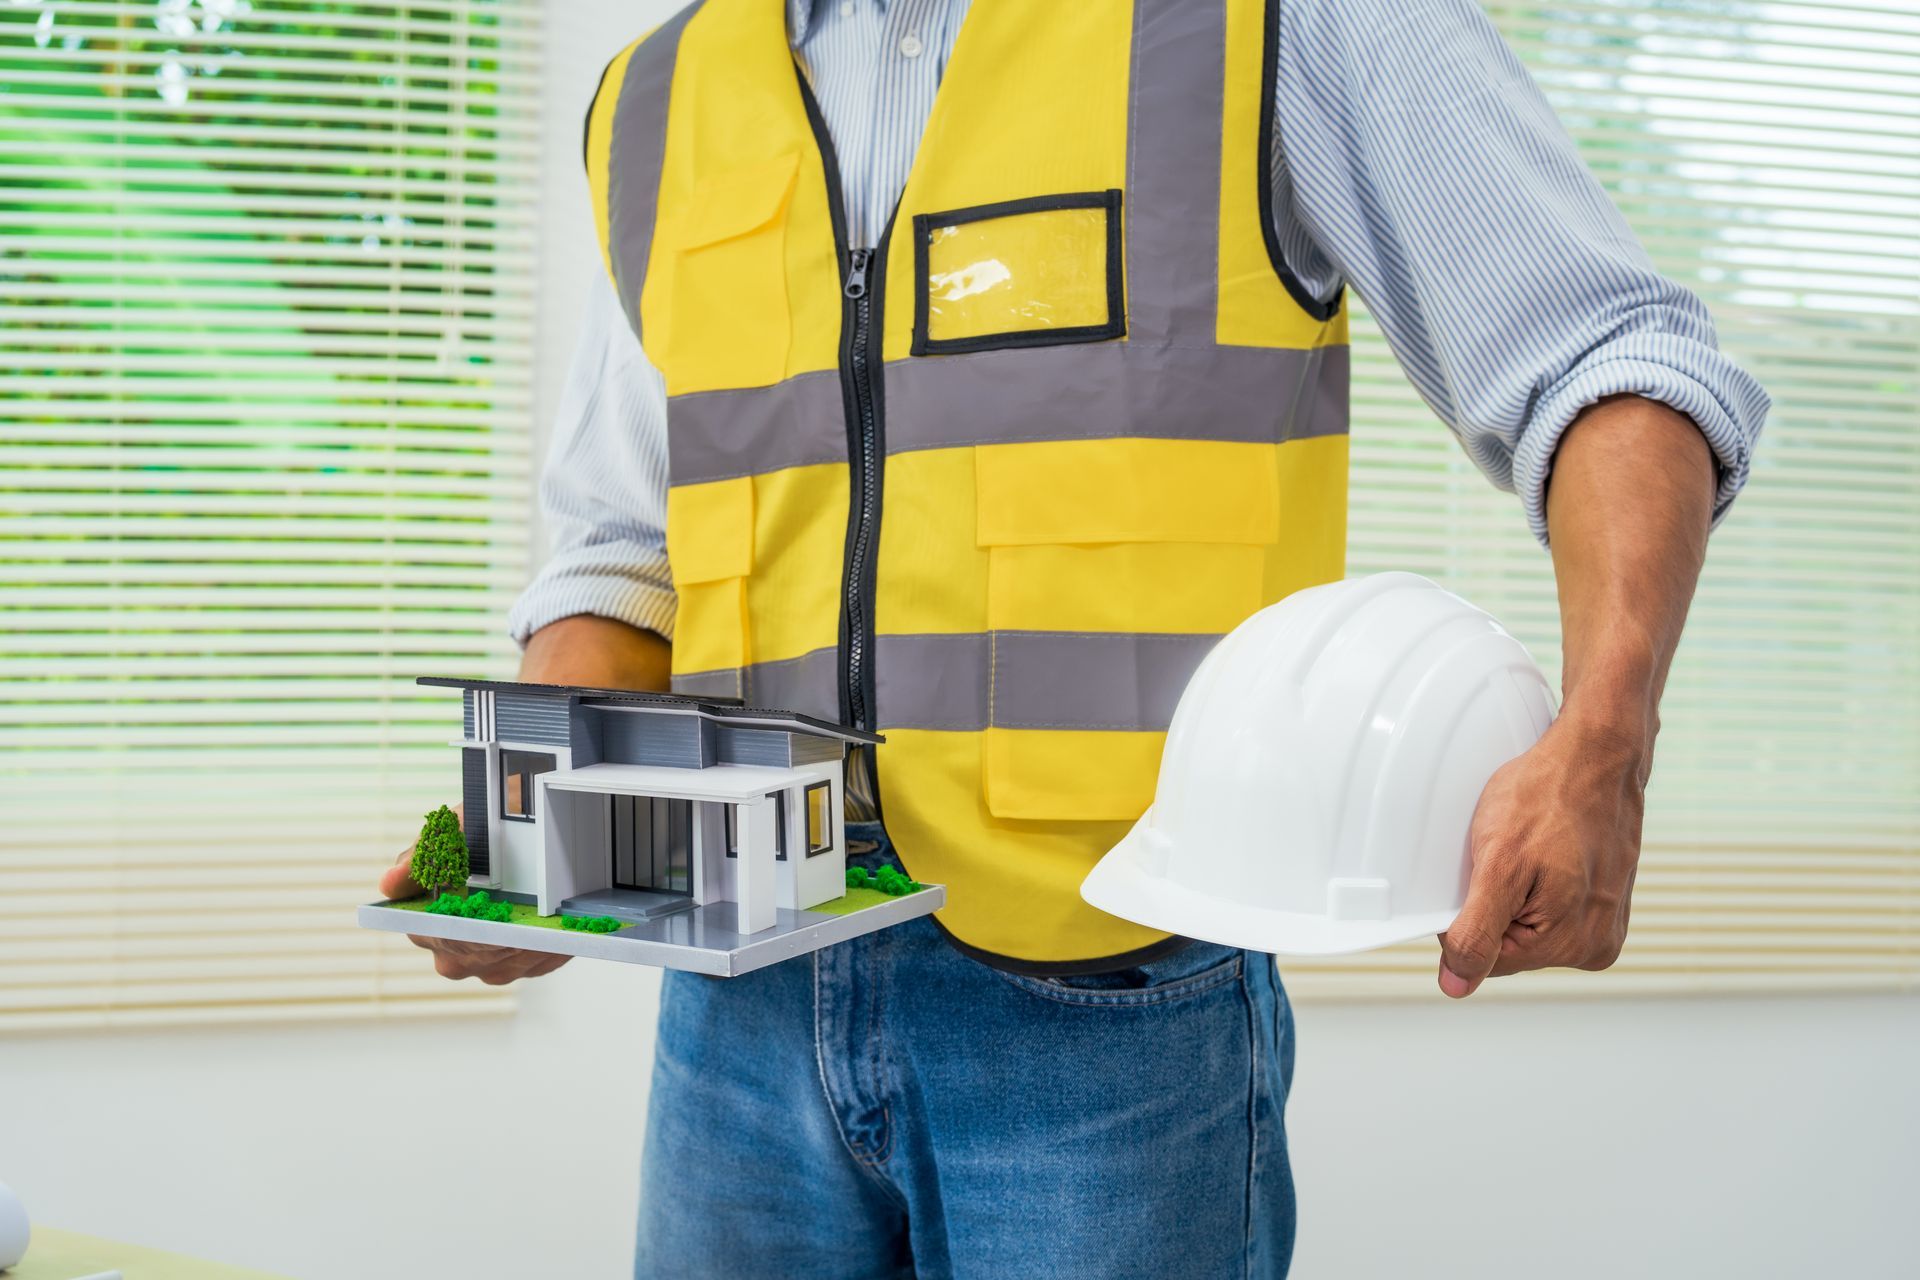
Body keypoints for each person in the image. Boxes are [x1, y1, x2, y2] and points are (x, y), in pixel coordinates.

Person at [379, 0, 1768, 1274]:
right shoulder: (662, 92)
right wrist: (535, 842)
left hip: (1110, 1027)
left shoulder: (1276, 24)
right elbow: (623, 560)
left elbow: (1613, 366)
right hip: (737, 1024)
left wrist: (1603, 747)